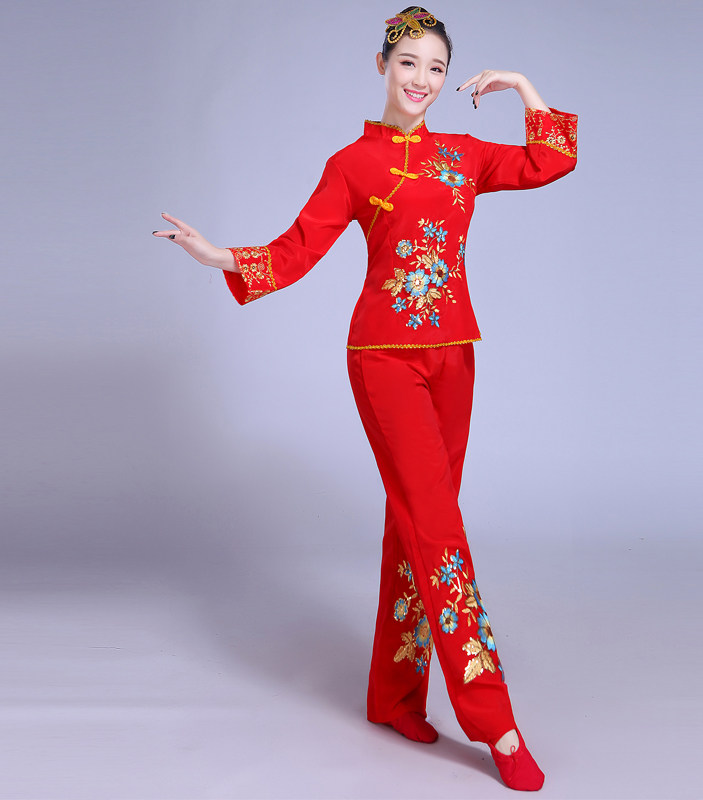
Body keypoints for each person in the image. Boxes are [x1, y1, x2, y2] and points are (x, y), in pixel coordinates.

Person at [153, 6, 577, 791]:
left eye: (436, 68)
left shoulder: (464, 154)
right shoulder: (352, 164)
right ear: (381, 65)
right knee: (439, 528)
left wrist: (523, 86)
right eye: (409, 63)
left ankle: (394, 696)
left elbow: (550, 162)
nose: (422, 80)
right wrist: (217, 257)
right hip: (383, 360)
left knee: (413, 524)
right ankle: (495, 720)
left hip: (456, 356)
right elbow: (295, 250)